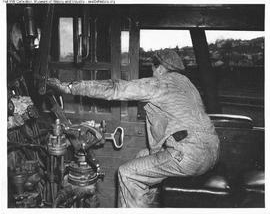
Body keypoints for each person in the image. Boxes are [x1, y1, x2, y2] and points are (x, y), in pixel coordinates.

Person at [47, 49, 220, 208]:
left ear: (160, 69)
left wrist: (69, 87)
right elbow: (168, 128)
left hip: (188, 154)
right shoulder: (188, 85)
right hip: (212, 151)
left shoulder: (161, 83)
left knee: (127, 173)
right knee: (143, 156)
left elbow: (116, 88)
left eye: (153, 69)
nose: (153, 73)